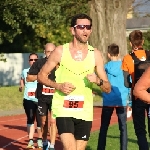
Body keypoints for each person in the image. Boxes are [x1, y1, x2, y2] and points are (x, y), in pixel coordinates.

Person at [37, 13, 111, 150]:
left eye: (88, 27)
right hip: (64, 108)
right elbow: (41, 76)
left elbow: (108, 88)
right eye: (81, 27)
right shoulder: (60, 51)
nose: (85, 30)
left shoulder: (95, 54)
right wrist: (58, 85)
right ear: (72, 30)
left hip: (85, 110)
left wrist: (98, 81)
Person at [95, 43, 129, 150]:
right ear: (118, 53)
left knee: (104, 127)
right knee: (123, 128)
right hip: (121, 100)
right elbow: (128, 83)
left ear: (108, 54)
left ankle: (101, 148)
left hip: (108, 100)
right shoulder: (124, 67)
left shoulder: (105, 68)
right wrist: (130, 101)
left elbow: (100, 80)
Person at [122, 30, 150, 150]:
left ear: (130, 43)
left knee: (140, 130)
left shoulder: (128, 58)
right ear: (142, 41)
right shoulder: (149, 54)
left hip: (137, 96)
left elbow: (126, 83)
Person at [26, 43, 57, 150]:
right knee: (43, 122)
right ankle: (44, 141)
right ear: (44, 52)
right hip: (42, 97)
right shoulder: (39, 63)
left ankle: (52, 145)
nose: (51, 54)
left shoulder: (60, 64)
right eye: (48, 52)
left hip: (55, 97)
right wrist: (40, 76)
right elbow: (28, 78)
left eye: (53, 51)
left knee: (53, 121)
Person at [19, 53, 42, 149]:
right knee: (30, 118)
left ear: (38, 61)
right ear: (29, 61)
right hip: (28, 99)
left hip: (40, 99)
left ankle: (40, 140)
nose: (33, 61)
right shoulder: (25, 71)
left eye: (35, 60)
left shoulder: (41, 71)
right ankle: (31, 141)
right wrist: (21, 86)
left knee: (40, 121)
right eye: (31, 60)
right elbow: (22, 79)